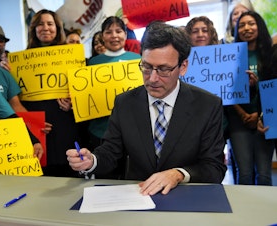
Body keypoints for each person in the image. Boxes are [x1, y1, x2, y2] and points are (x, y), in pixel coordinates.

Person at [67, 21, 227, 195]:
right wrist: (92, 161)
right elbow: (111, 152)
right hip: (137, 198)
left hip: (186, 199)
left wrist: (178, 174)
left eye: (164, 70)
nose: (152, 78)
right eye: (146, 67)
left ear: (183, 67)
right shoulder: (124, 103)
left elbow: (214, 167)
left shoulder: (207, 105)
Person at [24, 9, 81, 177]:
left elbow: (82, 90)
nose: (45, 28)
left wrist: (72, 103)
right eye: (40, 24)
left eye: (50, 24)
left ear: (57, 28)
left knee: (69, 176)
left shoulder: (72, 56)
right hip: (39, 128)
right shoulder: (22, 59)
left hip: (65, 123)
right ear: (34, 29)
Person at [227, 11, 275, 185]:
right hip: (238, 121)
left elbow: (273, 89)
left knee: (264, 174)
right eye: (241, 25)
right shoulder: (230, 56)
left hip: (266, 120)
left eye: (251, 24)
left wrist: (259, 115)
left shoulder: (271, 55)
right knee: (244, 173)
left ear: (259, 26)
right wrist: (243, 114)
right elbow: (225, 90)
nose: (246, 28)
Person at [87, 16, 141, 150]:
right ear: (103, 36)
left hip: (132, 130)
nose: (114, 36)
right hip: (100, 130)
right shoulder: (93, 62)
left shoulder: (137, 60)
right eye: (108, 32)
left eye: (118, 31)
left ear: (125, 34)